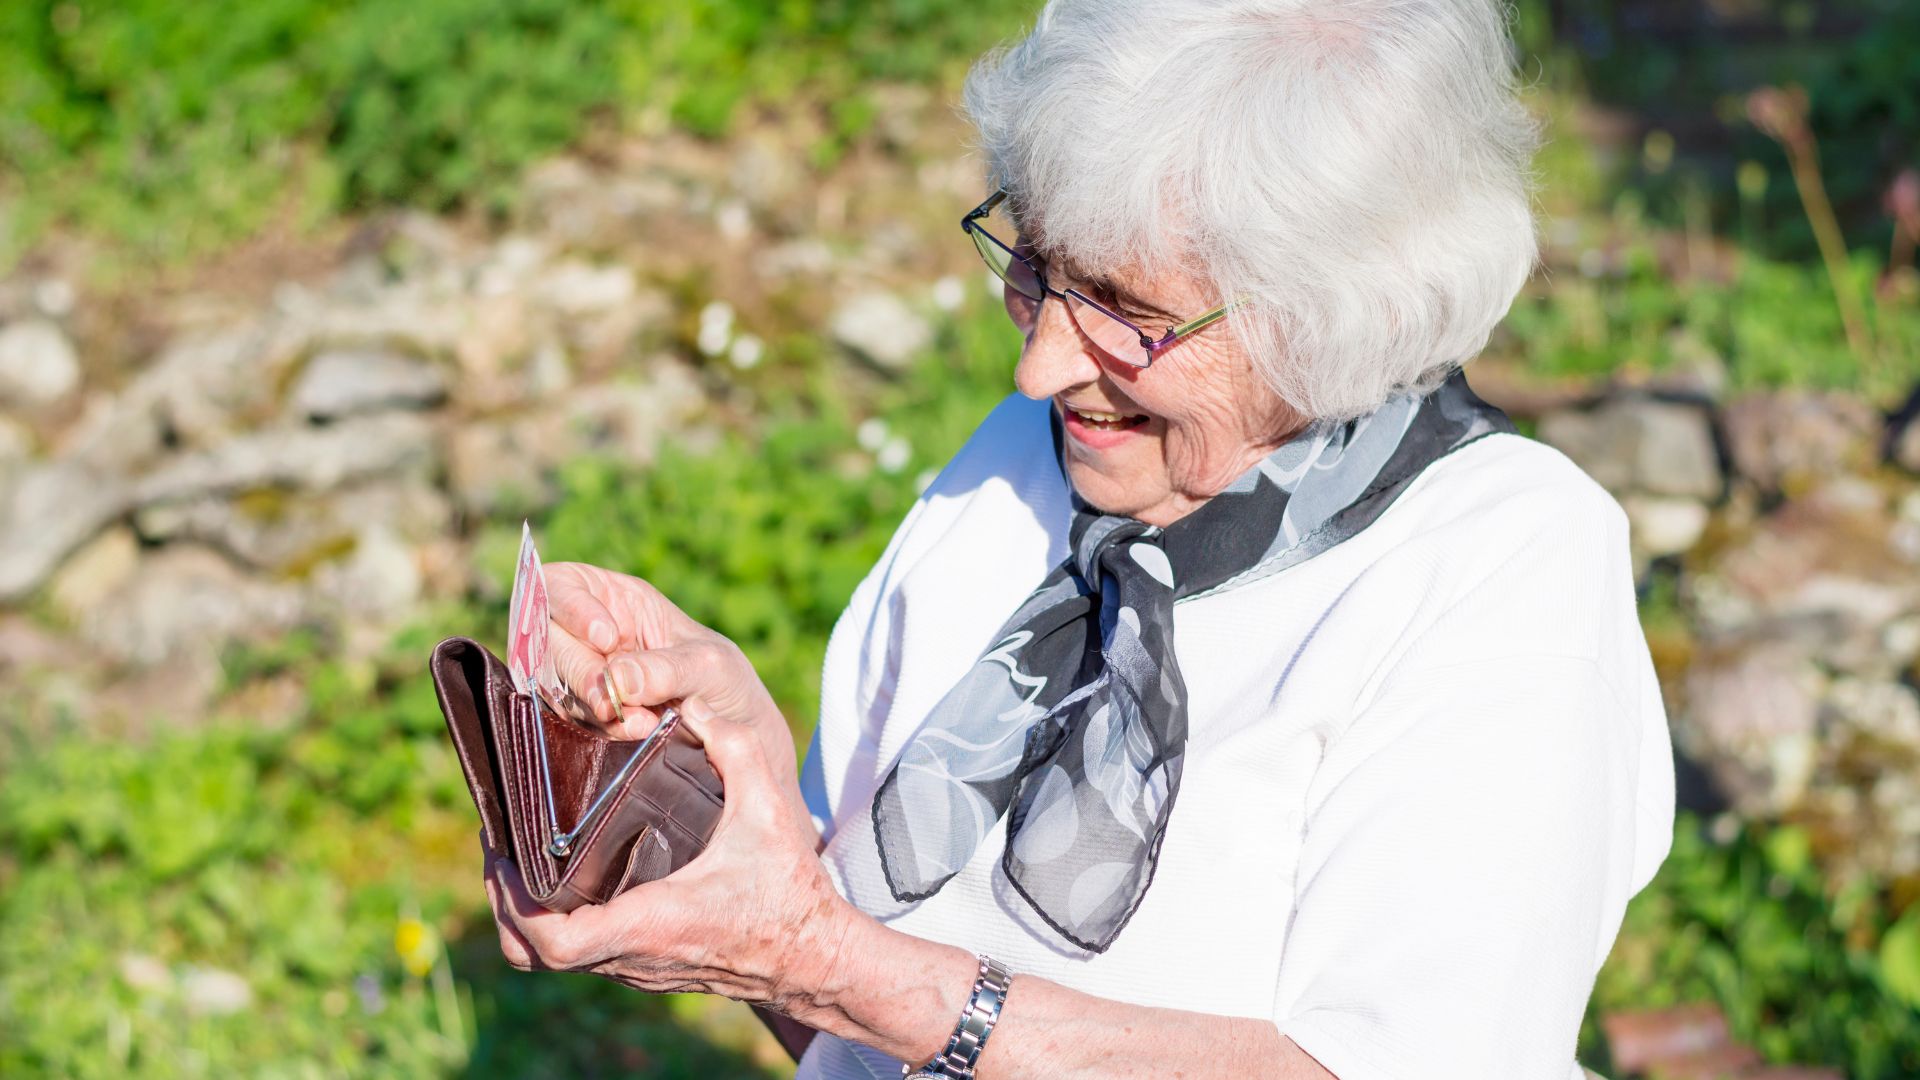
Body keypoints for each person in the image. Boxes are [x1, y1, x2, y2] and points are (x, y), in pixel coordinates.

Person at [482, 1, 1676, 1076]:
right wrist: (714, 788)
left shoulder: (1500, 564)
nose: (1040, 364)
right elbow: (841, 1015)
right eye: (1037, 269)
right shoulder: (1024, 460)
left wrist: (823, 962)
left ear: (1338, 313)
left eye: (1130, 313)